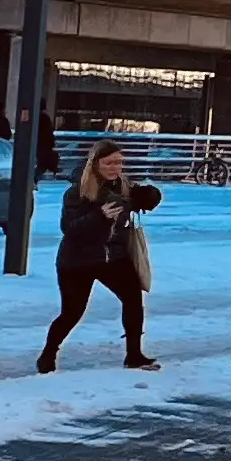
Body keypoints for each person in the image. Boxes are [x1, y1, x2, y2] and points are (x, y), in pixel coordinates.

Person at [39, 139, 164, 373]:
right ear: (96, 164)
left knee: (133, 299)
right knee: (72, 312)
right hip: (78, 260)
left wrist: (150, 196)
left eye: (119, 162)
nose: (115, 167)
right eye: (109, 163)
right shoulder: (77, 192)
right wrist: (100, 215)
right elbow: (69, 228)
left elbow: (146, 200)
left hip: (112, 257)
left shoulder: (123, 187)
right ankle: (48, 354)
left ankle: (134, 355)